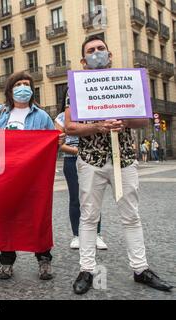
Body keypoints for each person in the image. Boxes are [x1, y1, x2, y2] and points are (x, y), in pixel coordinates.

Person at [66, 35, 173, 294]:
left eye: (101, 48)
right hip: (91, 160)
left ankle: (140, 269)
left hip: (123, 159)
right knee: (89, 216)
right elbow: (70, 126)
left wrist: (123, 121)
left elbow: (143, 121)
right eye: (91, 50)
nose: (97, 53)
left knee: (131, 216)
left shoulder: (128, 82)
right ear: (83, 60)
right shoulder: (76, 88)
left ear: (110, 54)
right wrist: (98, 125)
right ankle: (87, 269)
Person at [0, 71, 64, 281]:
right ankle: (6, 262)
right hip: (6, 176)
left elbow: (52, 141)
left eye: (27, 84)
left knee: (38, 217)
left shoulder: (41, 116)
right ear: (10, 89)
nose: (23, 87)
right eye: (19, 84)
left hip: (34, 177)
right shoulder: (1, 113)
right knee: (6, 218)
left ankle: (44, 260)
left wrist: (57, 141)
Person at [55, 92, 107, 250]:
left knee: (93, 197)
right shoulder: (61, 118)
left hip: (92, 158)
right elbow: (59, 143)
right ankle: (77, 235)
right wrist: (77, 151)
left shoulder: (91, 112)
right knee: (75, 198)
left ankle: (96, 235)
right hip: (71, 160)